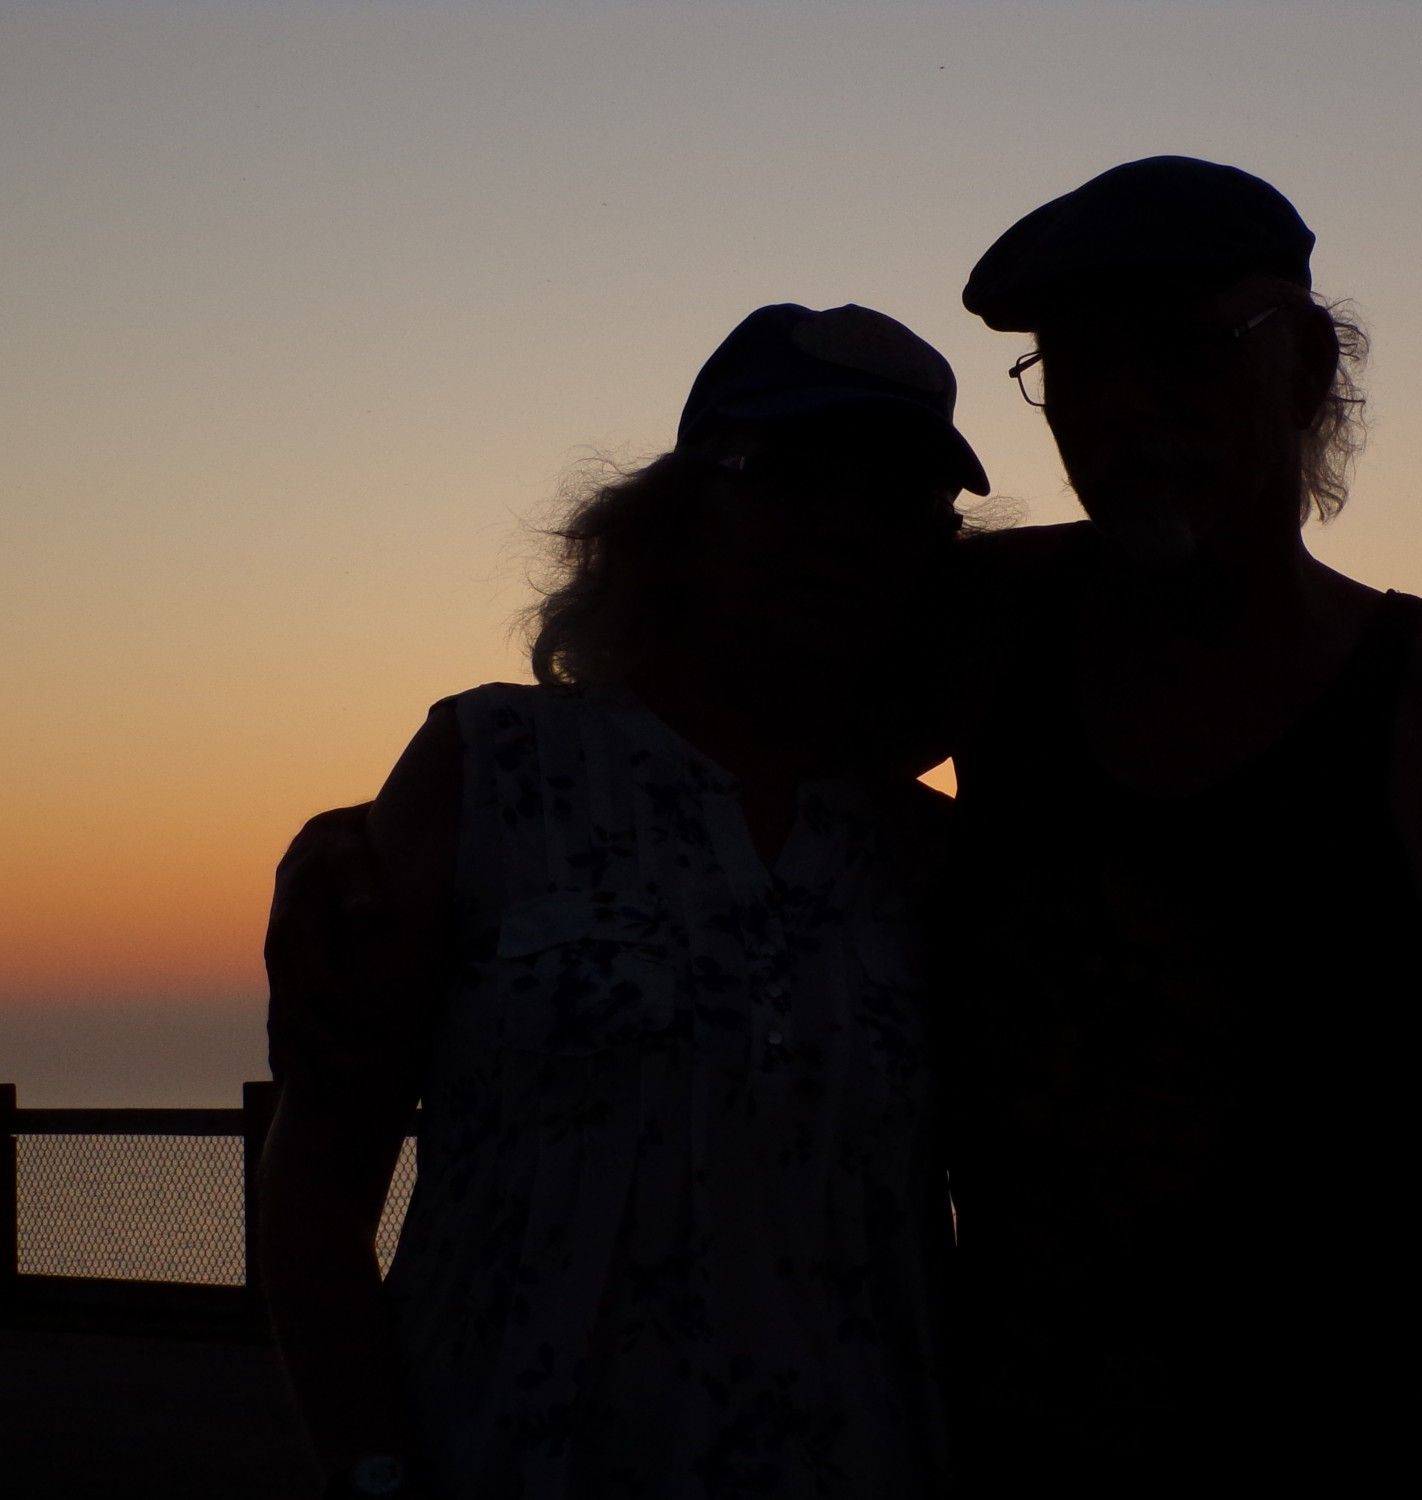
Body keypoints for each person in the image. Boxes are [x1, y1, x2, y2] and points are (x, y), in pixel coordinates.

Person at [935, 156, 1422, 1497]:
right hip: (1030, 1440)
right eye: (1077, 367)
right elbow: (739, 724)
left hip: (1370, 1437)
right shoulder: (987, 630)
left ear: (1311, 366)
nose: (1123, 412)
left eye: (1184, 352)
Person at [257, 302, 988, 1500]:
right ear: (679, 516)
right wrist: (373, 1471)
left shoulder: (929, 853)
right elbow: (317, 1181)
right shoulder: (494, 766)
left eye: (893, 496)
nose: (838, 527)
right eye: (789, 476)